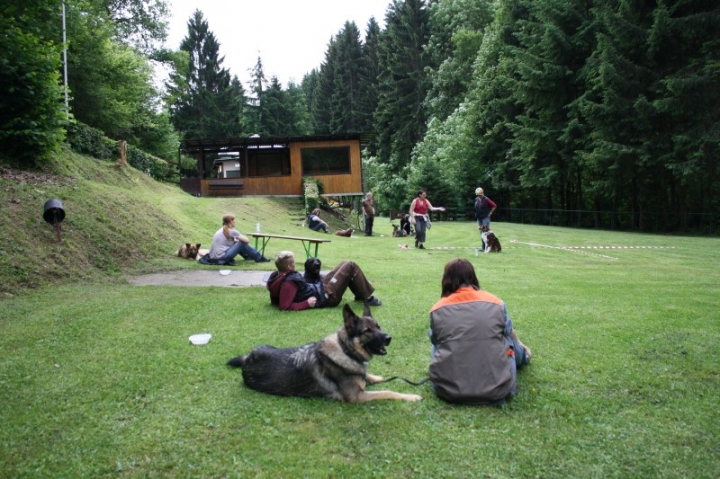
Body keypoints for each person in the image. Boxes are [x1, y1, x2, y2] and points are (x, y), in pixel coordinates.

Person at [428, 258, 531, 405]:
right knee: (508, 341)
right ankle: (525, 356)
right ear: (473, 277)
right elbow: (508, 331)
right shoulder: (495, 302)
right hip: (498, 389)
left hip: (448, 390)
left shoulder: (437, 308)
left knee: (438, 342)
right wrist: (521, 344)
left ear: (445, 280)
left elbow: (435, 341)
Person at [266, 251, 382, 311]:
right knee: (350, 265)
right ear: (289, 268)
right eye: (294, 263)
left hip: (319, 288)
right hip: (326, 297)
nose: (295, 265)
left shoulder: (276, 276)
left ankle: (361, 295)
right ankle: (365, 297)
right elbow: (284, 306)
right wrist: (306, 304)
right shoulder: (288, 283)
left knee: (344, 263)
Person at [203, 214, 271, 265]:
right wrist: (237, 239)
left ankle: (248, 256)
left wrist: (235, 241)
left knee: (237, 242)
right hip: (221, 258)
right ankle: (259, 257)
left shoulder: (222, 229)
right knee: (241, 243)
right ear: (230, 221)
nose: (235, 222)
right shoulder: (231, 231)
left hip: (214, 257)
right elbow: (247, 240)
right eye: (234, 220)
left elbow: (226, 242)